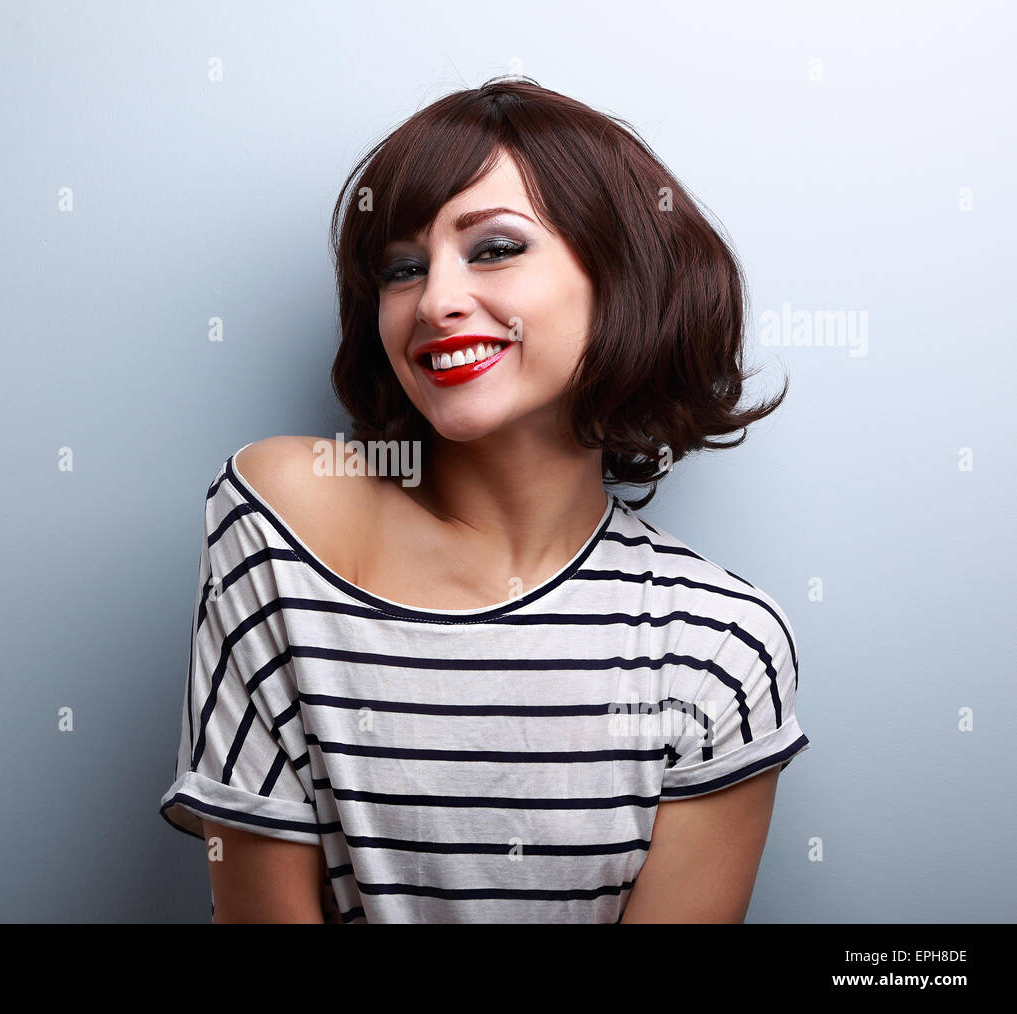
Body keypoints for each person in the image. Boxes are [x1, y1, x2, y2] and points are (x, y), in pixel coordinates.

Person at [159, 76, 811, 923]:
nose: (435, 302)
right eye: (402, 268)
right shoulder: (285, 514)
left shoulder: (723, 640)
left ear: (621, 275)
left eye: (495, 249)